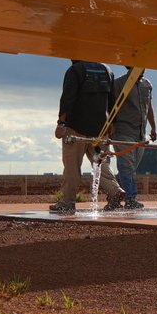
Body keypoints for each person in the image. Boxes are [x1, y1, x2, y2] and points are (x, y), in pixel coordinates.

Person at [51, 60, 123, 214]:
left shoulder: (75, 70)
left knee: (72, 167)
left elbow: (67, 98)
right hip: (100, 128)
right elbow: (112, 100)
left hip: (76, 128)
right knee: (101, 164)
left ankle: (67, 202)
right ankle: (115, 190)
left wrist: (61, 123)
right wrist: (112, 122)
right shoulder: (106, 70)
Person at [109, 67, 156, 209]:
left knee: (129, 168)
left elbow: (149, 108)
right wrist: (111, 125)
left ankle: (114, 195)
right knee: (126, 167)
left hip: (140, 133)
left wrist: (153, 127)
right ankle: (130, 199)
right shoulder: (118, 84)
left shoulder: (147, 84)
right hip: (123, 131)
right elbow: (110, 106)